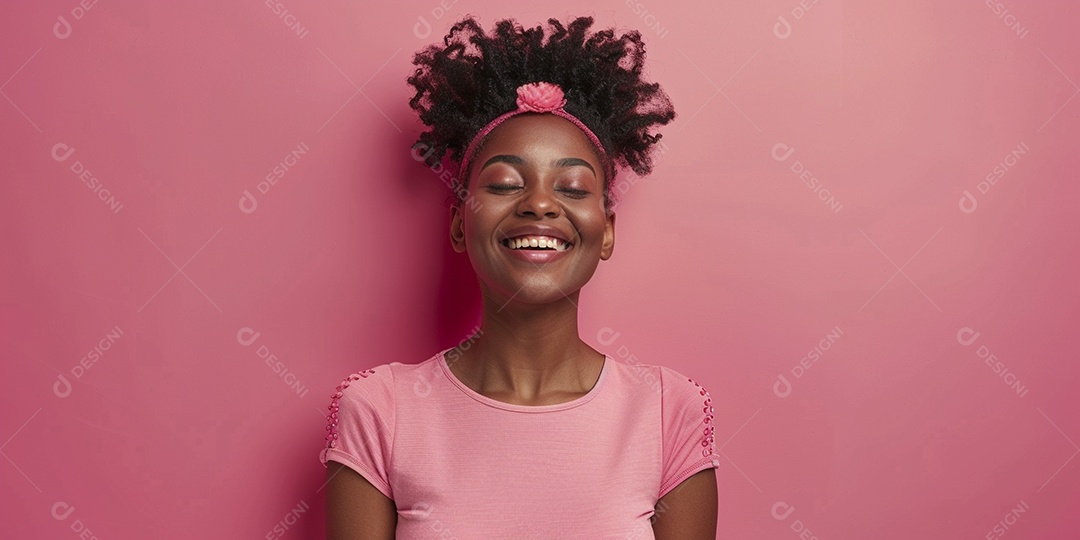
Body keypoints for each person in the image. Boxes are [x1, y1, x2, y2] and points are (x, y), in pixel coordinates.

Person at [321, 15, 719, 539]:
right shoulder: (380, 410)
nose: (538, 204)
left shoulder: (669, 413)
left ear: (606, 233)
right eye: (506, 183)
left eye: (573, 188)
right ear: (461, 224)